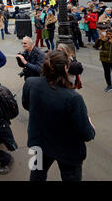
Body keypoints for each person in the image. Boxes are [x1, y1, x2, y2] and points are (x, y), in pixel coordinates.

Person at [22, 51, 96, 181]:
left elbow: (27, 105)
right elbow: (87, 134)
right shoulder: (73, 98)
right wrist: (90, 125)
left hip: (39, 141)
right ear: (66, 68)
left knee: (37, 171)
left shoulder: (30, 82)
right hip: (67, 150)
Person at [93, 28, 112, 93]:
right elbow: (95, 46)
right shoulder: (104, 39)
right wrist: (99, 39)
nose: (108, 35)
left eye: (110, 34)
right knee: (107, 73)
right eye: (107, 34)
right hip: (105, 59)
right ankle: (109, 85)